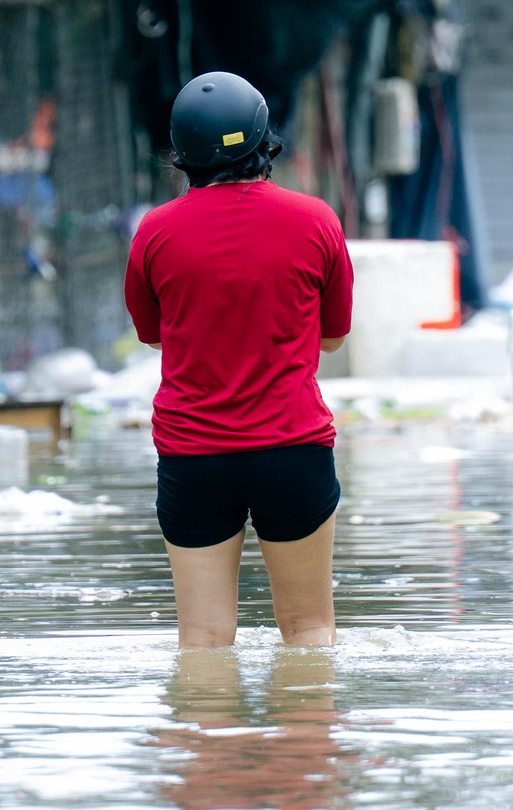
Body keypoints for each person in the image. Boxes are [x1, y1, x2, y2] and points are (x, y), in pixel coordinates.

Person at [123, 71, 352, 650]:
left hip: (194, 456)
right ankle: (305, 742)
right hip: (292, 450)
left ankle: (209, 738)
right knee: (309, 630)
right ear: (263, 139)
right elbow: (332, 339)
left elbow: (154, 337)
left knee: (201, 639)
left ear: (182, 154)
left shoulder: (154, 233)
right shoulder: (316, 220)